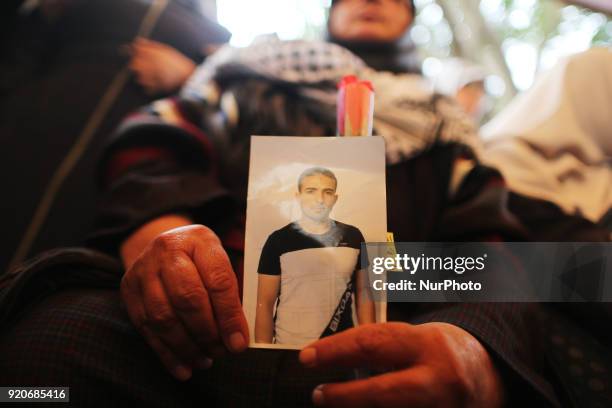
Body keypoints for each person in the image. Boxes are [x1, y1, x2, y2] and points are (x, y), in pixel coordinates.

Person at [1, 1, 559, 407]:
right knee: (35, 369)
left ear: (412, 19)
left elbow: (492, 255)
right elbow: (154, 144)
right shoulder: (241, 81)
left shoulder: (442, 130)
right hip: (198, 339)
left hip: (387, 354)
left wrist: (472, 352)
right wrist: (162, 236)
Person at [255, 167, 374, 345]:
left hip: (341, 347)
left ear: (335, 199)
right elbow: (264, 303)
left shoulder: (353, 236)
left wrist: (370, 344)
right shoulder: (278, 240)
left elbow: (364, 292)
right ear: (298, 196)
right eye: (311, 191)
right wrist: (263, 353)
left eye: (327, 192)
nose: (319, 200)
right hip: (288, 347)